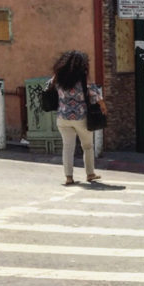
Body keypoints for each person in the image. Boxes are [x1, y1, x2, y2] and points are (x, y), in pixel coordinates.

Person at [49, 49, 105, 185]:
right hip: (81, 118)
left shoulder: (58, 80)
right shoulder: (82, 81)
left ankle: (69, 177)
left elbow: (48, 86)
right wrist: (103, 107)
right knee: (87, 146)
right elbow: (96, 96)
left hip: (62, 118)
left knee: (68, 147)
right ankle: (90, 174)